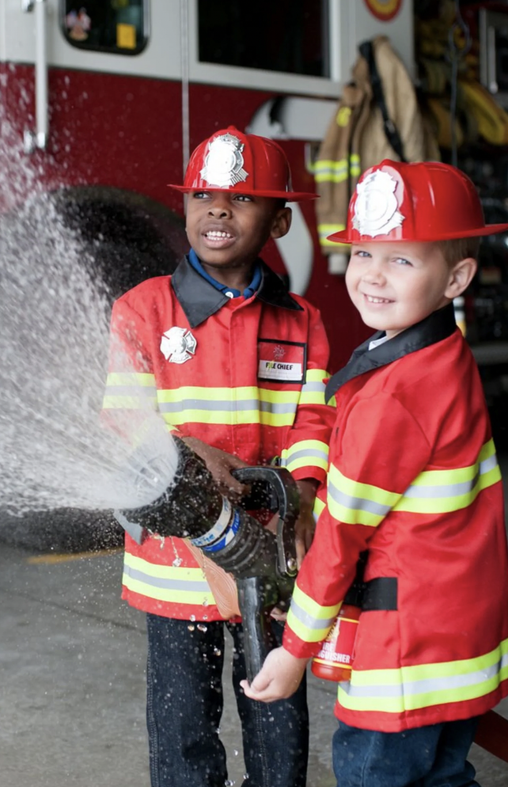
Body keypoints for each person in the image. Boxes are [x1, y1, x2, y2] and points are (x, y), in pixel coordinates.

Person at [242, 159, 508, 787]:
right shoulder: (443, 354)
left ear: (456, 277)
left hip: (406, 655)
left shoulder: (394, 395)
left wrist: (294, 653)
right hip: (456, 634)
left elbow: (342, 536)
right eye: (365, 252)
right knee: (444, 775)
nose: (371, 275)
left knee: (378, 775)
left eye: (401, 260)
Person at [102, 126, 334, 787]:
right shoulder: (141, 310)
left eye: (241, 198)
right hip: (172, 575)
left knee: (277, 723)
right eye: (202, 194)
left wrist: (305, 497)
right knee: (182, 737)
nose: (218, 210)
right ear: (185, 207)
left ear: (280, 218)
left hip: (269, 565)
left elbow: (313, 421)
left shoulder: (301, 320)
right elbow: (121, 419)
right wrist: (183, 449)